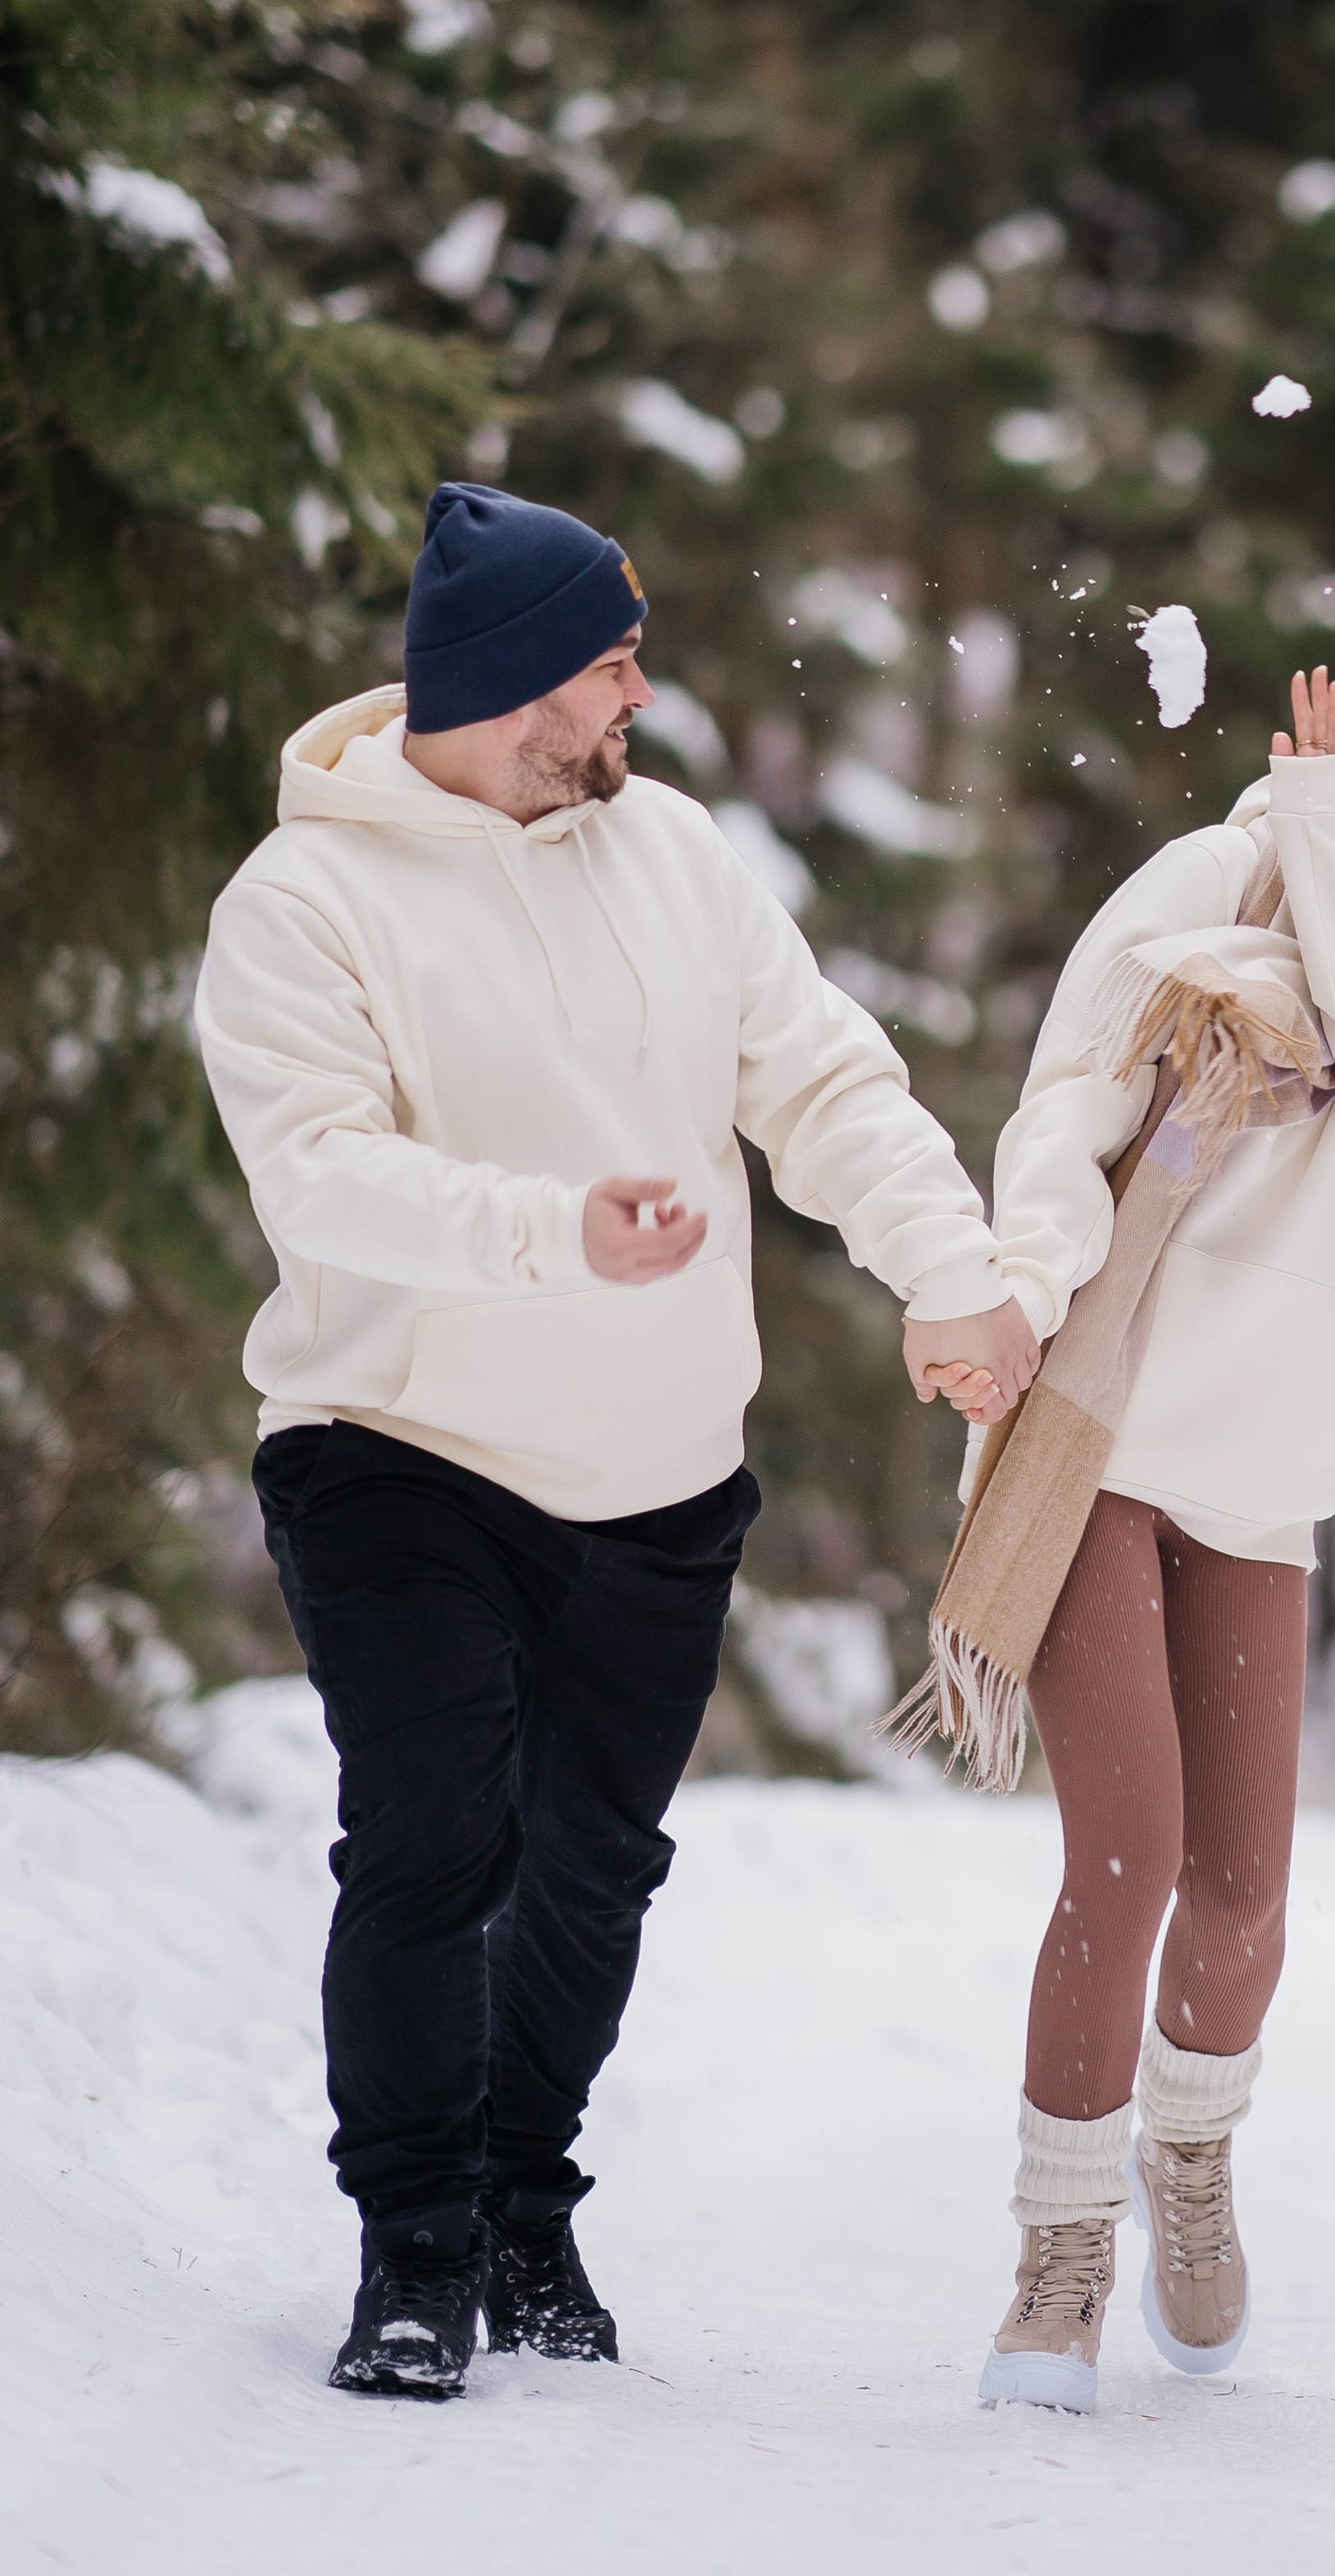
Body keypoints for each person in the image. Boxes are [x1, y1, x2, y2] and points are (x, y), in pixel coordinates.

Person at [195, 480, 1036, 2400]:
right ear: (511, 689)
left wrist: (948, 1269)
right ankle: (411, 2246)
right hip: (395, 1445)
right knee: (435, 1845)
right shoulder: (302, 903)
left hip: (660, 1481)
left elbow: (823, 1079)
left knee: (589, 1866)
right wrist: (544, 1232)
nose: (639, 694)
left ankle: (521, 2206)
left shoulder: (668, 852)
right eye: (610, 665)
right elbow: (319, 1180)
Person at [954, 664, 1335, 2413]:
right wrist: (1009, 1298)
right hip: (1092, 1431)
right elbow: (1060, 1113)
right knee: (1127, 1860)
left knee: (1239, 1899)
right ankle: (1058, 2249)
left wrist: (1323, 829)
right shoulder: (1186, 895)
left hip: (1260, 1468)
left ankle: (1188, 2158)